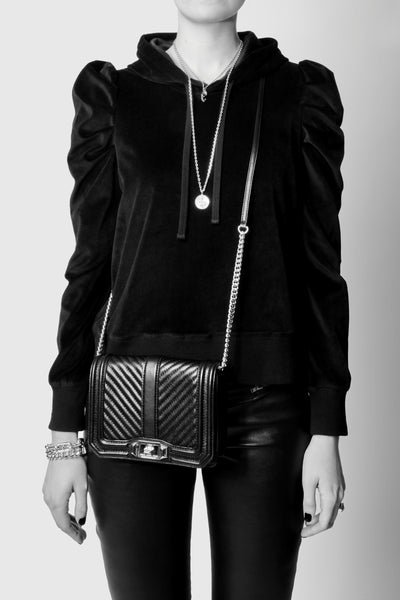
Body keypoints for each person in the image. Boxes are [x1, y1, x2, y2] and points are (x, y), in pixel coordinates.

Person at [42, 1, 351, 598]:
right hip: (132, 395)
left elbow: (320, 269)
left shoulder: (298, 94)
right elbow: (89, 268)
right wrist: (63, 436)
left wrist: (327, 428)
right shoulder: (114, 97)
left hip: (265, 403)